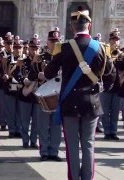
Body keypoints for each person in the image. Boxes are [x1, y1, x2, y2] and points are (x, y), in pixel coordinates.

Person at [42, 7, 115, 180]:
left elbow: (48, 74)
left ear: (72, 27)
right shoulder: (102, 48)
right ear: (88, 26)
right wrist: (102, 87)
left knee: (72, 147)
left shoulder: (63, 48)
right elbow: (110, 77)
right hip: (91, 102)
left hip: (69, 102)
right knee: (89, 144)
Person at [31, 27, 62, 161]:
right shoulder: (40, 57)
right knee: (43, 125)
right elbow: (31, 74)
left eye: (57, 41)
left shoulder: (64, 58)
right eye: (52, 41)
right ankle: (44, 151)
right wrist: (39, 74)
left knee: (56, 125)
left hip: (59, 95)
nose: (54, 43)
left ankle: (54, 151)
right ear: (47, 42)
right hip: (44, 95)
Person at [100, 28, 124, 141]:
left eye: (117, 40)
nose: (115, 42)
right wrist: (110, 58)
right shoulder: (105, 53)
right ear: (109, 41)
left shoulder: (122, 54)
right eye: (113, 40)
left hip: (118, 87)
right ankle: (107, 131)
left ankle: (113, 132)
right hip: (106, 86)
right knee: (105, 111)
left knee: (115, 112)